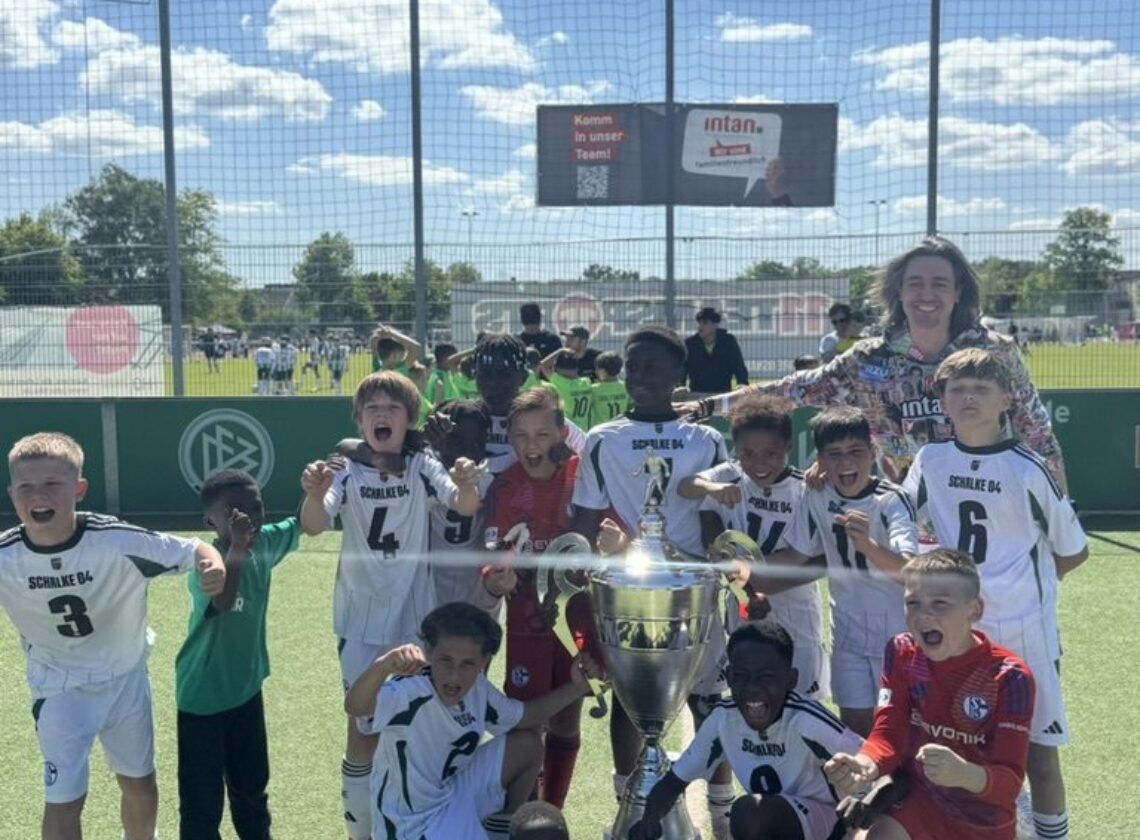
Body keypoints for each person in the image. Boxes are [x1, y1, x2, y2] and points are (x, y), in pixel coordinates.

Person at [688, 236, 1068, 491]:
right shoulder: (869, 358)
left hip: (991, 503)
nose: (926, 294)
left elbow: (1038, 434)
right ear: (899, 292)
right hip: (907, 518)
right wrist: (707, 406)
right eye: (915, 283)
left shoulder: (995, 352)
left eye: (939, 283)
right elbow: (789, 390)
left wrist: (1059, 510)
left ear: (958, 292)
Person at [0, 432, 226, 840]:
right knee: (64, 798)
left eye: (53, 484)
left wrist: (214, 567)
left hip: (125, 679)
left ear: (79, 489)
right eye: (26, 486)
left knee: (139, 783)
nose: (39, 495)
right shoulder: (6, 556)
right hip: (59, 687)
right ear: (12, 493)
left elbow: (195, 549)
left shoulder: (117, 541)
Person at [902, 348, 1088, 840]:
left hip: (1024, 631)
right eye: (957, 389)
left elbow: (1072, 552)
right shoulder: (930, 460)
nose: (967, 398)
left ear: (1007, 399)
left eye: (981, 389)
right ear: (940, 398)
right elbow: (898, 510)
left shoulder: (1029, 468)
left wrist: (1025, 593)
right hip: (957, 628)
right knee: (955, 744)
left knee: (1038, 755)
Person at [298, 371, 485, 840]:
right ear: (359, 420)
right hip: (360, 619)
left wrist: (465, 483)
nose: (382, 415)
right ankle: (361, 832)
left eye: (393, 408)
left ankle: (414, 822)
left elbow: (462, 506)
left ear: (409, 420)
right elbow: (315, 525)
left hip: (415, 617)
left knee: (418, 723)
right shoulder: (344, 467)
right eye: (372, 408)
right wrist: (315, 495)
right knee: (363, 728)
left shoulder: (422, 462)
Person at [570, 326, 730, 835]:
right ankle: (629, 800)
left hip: (689, 588)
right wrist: (598, 553)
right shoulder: (603, 440)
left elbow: (713, 519)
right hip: (632, 588)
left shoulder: (706, 439)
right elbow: (586, 518)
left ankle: (722, 810)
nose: (642, 377)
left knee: (710, 697)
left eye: (655, 368)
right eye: (634, 367)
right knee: (630, 696)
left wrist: (714, 568)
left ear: (678, 375)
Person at [824, 550, 1036, 840]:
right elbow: (888, 735)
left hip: (983, 820)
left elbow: (1009, 784)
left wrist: (962, 773)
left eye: (940, 604)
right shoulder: (901, 652)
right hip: (920, 804)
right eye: (913, 603)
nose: (923, 616)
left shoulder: (1010, 676)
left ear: (974, 610)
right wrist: (865, 764)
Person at [343, 601, 601, 840]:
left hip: (454, 791)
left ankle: (501, 827)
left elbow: (523, 718)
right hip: (412, 823)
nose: (455, 675)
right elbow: (356, 707)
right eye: (446, 661)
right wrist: (382, 667)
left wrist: (576, 688)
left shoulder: (478, 688)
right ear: (429, 652)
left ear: (484, 661)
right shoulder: (410, 691)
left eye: (467, 664)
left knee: (527, 745)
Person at [762, 407, 918, 736]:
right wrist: (745, 569)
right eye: (834, 455)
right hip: (846, 633)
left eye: (855, 452)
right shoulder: (816, 494)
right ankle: (862, 791)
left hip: (896, 634)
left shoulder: (891, 499)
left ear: (872, 453)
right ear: (820, 460)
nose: (846, 463)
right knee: (854, 729)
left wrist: (870, 546)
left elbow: (910, 573)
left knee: (897, 729)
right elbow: (797, 554)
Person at [628, 623, 863, 840]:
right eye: (741, 676)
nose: (752, 688)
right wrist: (648, 822)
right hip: (780, 822)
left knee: (749, 811)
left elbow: (873, 762)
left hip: (832, 824)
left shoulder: (805, 720)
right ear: (729, 677)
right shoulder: (723, 719)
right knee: (752, 814)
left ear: (791, 680)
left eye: (766, 677)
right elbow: (674, 781)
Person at [176, 469, 301, 840]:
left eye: (257, 507)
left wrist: (318, 484)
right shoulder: (208, 562)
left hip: (246, 692)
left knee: (251, 791)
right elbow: (224, 602)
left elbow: (302, 522)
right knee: (202, 805)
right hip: (201, 700)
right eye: (234, 512)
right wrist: (239, 549)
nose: (250, 517)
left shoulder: (263, 544)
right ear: (209, 520)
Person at [484, 388, 593, 809]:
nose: (532, 446)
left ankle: (553, 812)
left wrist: (614, 542)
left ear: (563, 433)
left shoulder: (582, 476)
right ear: (509, 439)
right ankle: (526, 812)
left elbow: (608, 532)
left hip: (577, 618)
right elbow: (494, 553)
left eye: (542, 434)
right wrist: (496, 578)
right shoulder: (506, 485)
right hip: (527, 621)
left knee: (567, 717)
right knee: (526, 721)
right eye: (521, 436)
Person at [680, 396, 829, 701]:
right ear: (736, 450)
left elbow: (811, 559)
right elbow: (689, 490)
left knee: (799, 704)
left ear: (788, 446)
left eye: (771, 453)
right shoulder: (729, 476)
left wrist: (758, 582)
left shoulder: (805, 490)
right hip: (745, 607)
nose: (759, 464)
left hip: (795, 613)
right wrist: (713, 490)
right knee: (749, 699)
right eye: (748, 453)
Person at [684, 306, 750, 394]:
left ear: (715, 325)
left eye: (705, 323)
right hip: (696, 394)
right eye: (699, 323)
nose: (700, 326)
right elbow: (682, 370)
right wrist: (680, 387)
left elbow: (738, 366)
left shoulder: (728, 342)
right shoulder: (690, 344)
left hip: (722, 394)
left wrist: (742, 384)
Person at [541, 350, 593, 429]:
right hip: (584, 430)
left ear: (556, 368)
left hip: (568, 431)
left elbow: (543, 365)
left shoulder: (560, 382)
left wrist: (560, 350)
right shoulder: (586, 382)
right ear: (576, 368)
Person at [589, 351, 630, 428]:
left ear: (603, 371)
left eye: (597, 369)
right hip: (621, 428)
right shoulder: (626, 387)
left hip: (602, 429)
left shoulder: (594, 389)